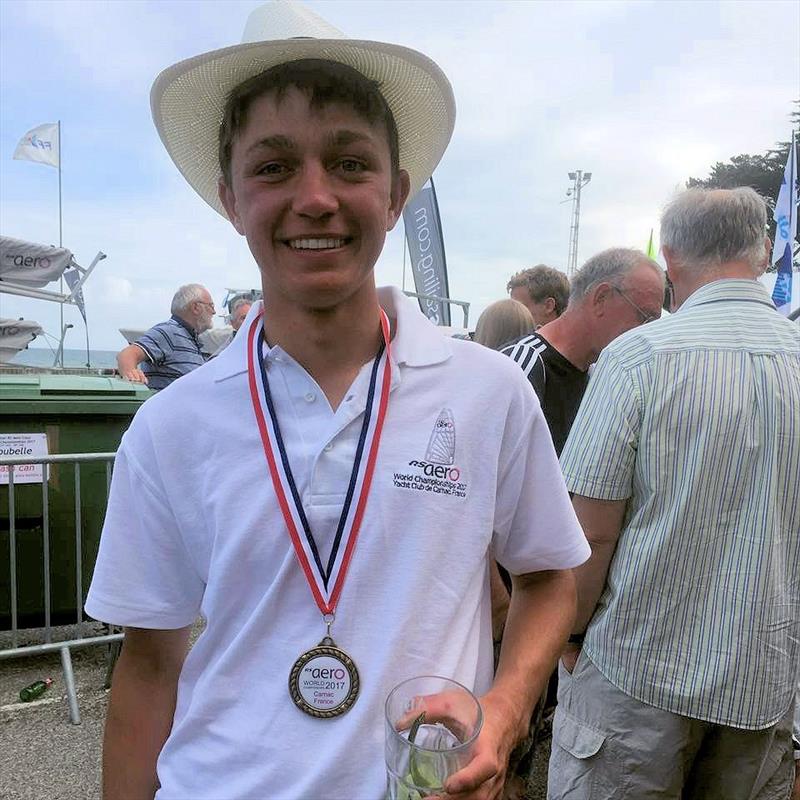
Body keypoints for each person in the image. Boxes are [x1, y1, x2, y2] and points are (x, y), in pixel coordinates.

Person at [85, 3, 590, 799]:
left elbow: (549, 577)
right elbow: (148, 666)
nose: (315, 198)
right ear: (231, 197)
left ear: (396, 194)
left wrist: (507, 706)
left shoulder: (486, 391)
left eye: (350, 164)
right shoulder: (170, 424)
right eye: (274, 166)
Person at [550, 187, 800, 799]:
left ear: (671, 260)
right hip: (765, 680)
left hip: (636, 673)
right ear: (764, 253)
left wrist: (572, 637)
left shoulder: (638, 358)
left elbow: (591, 529)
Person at [501, 248, 664, 456]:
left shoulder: (598, 373)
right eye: (645, 318)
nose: (649, 332)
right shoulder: (522, 366)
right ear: (601, 298)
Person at [116, 283, 213, 389]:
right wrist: (133, 379)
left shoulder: (192, 339)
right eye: (211, 306)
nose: (214, 312)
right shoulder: (168, 332)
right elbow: (127, 355)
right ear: (196, 307)